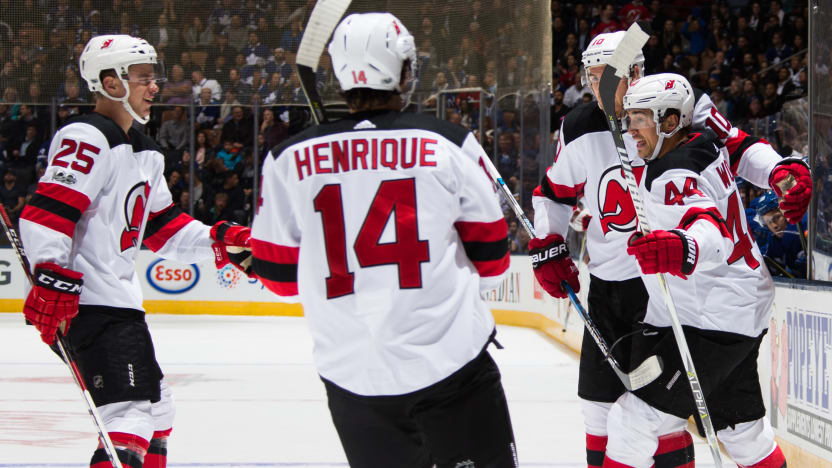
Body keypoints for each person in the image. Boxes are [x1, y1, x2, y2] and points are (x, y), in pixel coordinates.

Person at [529, 29, 811, 468]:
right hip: (626, 287)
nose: (599, 90)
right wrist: (548, 242)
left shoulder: (678, 114)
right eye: (593, 77)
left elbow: (732, 155)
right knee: (615, 412)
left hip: (678, 287)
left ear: (640, 75)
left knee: (647, 420)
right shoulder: (583, 125)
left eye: (610, 77)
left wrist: (777, 171)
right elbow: (554, 193)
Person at [250, 13, 518, 467]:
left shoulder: (287, 158)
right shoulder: (448, 144)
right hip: (450, 367)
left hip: (354, 378)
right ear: (406, 72)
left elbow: (278, 277)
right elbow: (493, 258)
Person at [18, 35, 251, 468]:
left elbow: (163, 230)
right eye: (144, 78)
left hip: (118, 303)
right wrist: (52, 278)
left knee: (159, 412)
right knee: (130, 418)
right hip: (87, 303)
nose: (154, 88)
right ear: (110, 82)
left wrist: (220, 239)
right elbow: (44, 213)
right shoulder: (87, 135)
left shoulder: (144, 151)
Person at [606, 73, 785, 467]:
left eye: (641, 120)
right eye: (630, 119)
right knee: (741, 433)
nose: (631, 131)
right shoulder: (704, 144)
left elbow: (708, 227)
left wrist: (681, 247)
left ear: (670, 122)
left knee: (631, 423)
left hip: (712, 318)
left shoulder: (670, 171)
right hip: (739, 304)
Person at [756, 190, 807, 278]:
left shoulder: (802, 228)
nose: (774, 226)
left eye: (777, 218)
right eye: (769, 222)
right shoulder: (772, 241)